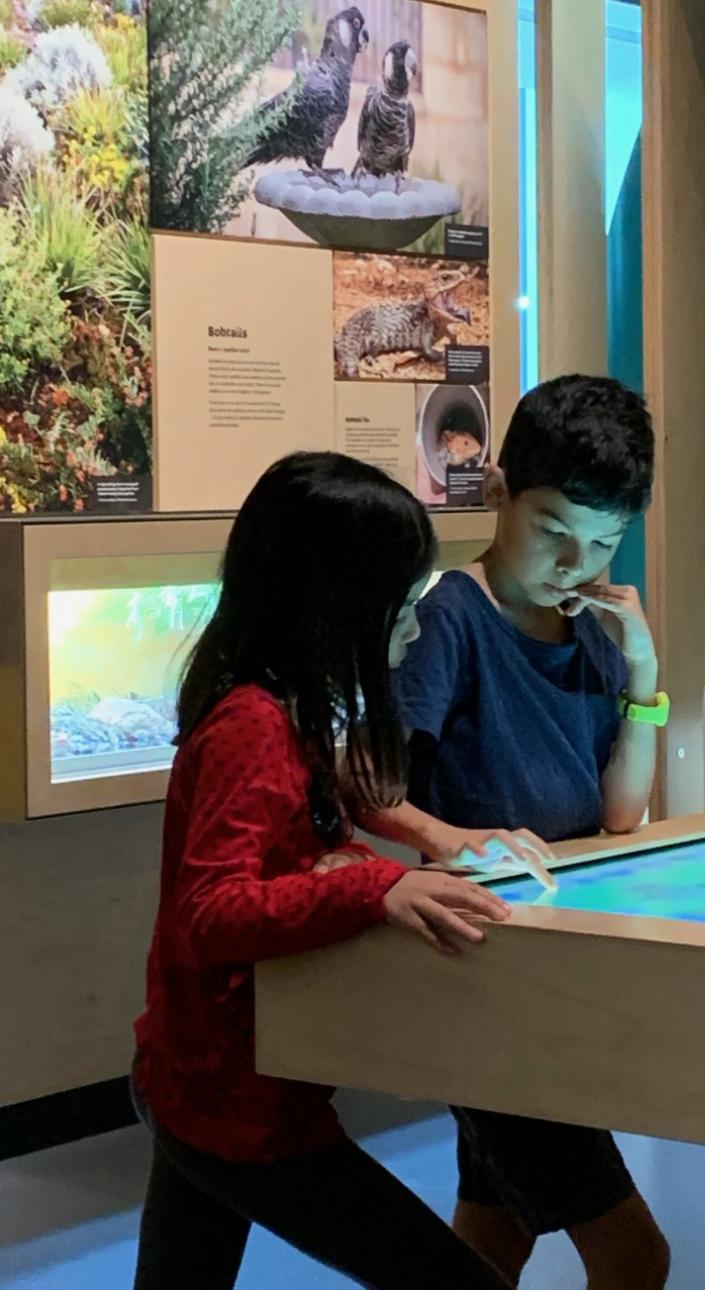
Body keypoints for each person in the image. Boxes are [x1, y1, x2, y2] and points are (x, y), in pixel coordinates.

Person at [130, 452, 516, 1290]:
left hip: (204, 1078)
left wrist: (430, 835)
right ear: (340, 599)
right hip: (234, 1097)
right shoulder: (250, 722)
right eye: (398, 599)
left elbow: (310, 790)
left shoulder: (272, 705)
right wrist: (377, 884)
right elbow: (213, 911)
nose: (407, 619)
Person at [361, 376, 672, 1288]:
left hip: (553, 968)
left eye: (605, 542)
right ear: (499, 492)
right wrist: (450, 836)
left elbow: (622, 814)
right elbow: (366, 782)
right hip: (488, 980)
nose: (577, 563)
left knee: (491, 1239)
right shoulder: (451, 616)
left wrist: (644, 676)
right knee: (633, 1255)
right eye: (554, 532)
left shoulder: (594, 633)